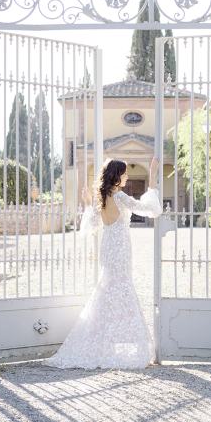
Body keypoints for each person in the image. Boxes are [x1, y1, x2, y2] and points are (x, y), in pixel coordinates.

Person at [43, 157, 162, 370]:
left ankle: (103, 340)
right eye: (124, 173)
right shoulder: (120, 197)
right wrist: (152, 177)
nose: (127, 176)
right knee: (121, 287)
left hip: (108, 247)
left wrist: (88, 201)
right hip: (121, 247)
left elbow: (91, 224)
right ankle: (125, 343)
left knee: (107, 289)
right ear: (117, 176)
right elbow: (148, 209)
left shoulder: (103, 197)